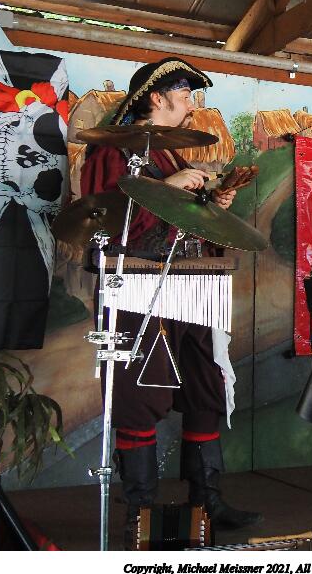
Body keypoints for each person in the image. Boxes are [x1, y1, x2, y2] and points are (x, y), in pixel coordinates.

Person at [80, 57, 261, 546]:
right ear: (156, 98)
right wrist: (166, 189)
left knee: (205, 388)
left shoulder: (173, 157)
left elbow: (182, 217)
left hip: (189, 285)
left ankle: (207, 504)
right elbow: (102, 216)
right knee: (138, 396)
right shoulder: (113, 151)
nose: (191, 106)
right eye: (184, 96)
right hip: (137, 288)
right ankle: (138, 514)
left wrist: (210, 203)